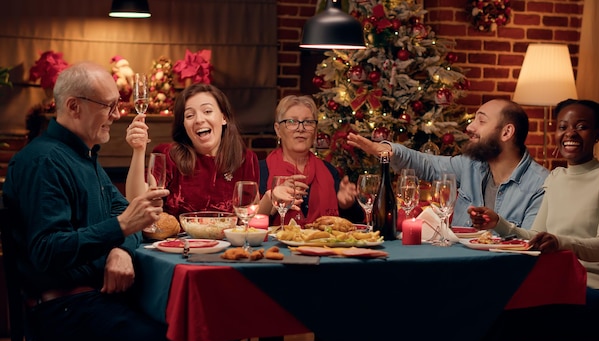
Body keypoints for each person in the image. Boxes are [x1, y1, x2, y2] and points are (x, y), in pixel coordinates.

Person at [2, 62, 178, 341]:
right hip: (63, 309)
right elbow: (47, 250)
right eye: (108, 106)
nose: (117, 114)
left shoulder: (84, 156)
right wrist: (120, 228)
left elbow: (127, 215)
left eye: (117, 105)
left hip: (95, 300)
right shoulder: (43, 161)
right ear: (74, 106)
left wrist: (121, 248)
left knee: (196, 327)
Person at [469, 99, 599, 341]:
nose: (570, 133)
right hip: (556, 291)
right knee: (481, 312)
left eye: (582, 126)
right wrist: (498, 223)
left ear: (597, 134)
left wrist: (560, 242)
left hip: (595, 297)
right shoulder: (556, 177)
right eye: (563, 127)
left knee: (492, 320)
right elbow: (534, 235)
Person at [347, 99, 549, 230]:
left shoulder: (541, 185)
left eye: (481, 121)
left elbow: (530, 243)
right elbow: (428, 165)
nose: (470, 127)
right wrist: (388, 150)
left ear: (506, 132)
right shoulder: (470, 165)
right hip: (459, 266)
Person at [125, 83, 259, 217]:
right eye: (189, 115)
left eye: (207, 111)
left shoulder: (245, 159)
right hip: (177, 238)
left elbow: (250, 215)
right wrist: (138, 150)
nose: (199, 120)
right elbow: (136, 200)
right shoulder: (168, 155)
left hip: (228, 238)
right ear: (183, 125)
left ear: (224, 118)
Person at [258, 95, 362, 226]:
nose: (301, 128)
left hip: (323, 244)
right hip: (275, 246)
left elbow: (354, 223)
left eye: (308, 122)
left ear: (315, 131)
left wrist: (347, 205)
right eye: (292, 122)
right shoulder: (260, 170)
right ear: (278, 130)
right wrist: (272, 198)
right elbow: (247, 225)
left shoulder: (330, 172)